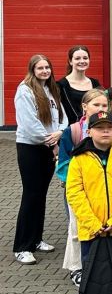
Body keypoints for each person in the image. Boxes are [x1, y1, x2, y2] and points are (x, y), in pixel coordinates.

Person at [65, 111, 112, 269]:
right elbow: (74, 193)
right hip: (91, 229)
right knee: (92, 271)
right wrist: (92, 223)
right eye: (99, 128)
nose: (105, 131)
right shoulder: (79, 159)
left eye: (109, 127)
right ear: (89, 131)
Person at [13, 54, 68, 264]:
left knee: (41, 195)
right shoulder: (25, 90)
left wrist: (60, 132)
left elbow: (62, 117)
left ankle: (36, 240)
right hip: (31, 148)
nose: (45, 71)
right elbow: (29, 124)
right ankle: (22, 247)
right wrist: (52, 142)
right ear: (32, 70)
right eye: (40, 68)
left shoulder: (52, 90)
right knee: (31, 195)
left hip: (48, 146)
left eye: (47, 67)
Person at [57, 89, 109, 286]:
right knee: (76, 227)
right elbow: (63, 162)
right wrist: (75, 180)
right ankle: (76, 267)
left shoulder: (109, 128)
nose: (101, 108)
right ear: (85, 106)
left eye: (104, 105)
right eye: (96, 105)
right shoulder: (73, 131)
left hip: (102, 188)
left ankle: (96, 263)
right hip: (78, 188)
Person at [57, 45, 101, 125]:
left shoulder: (95, 83)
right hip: (71, 129)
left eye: (85, 58)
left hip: (94, 127)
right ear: (70, 61)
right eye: (77, 58)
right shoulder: (61, 85)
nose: (82, 61)